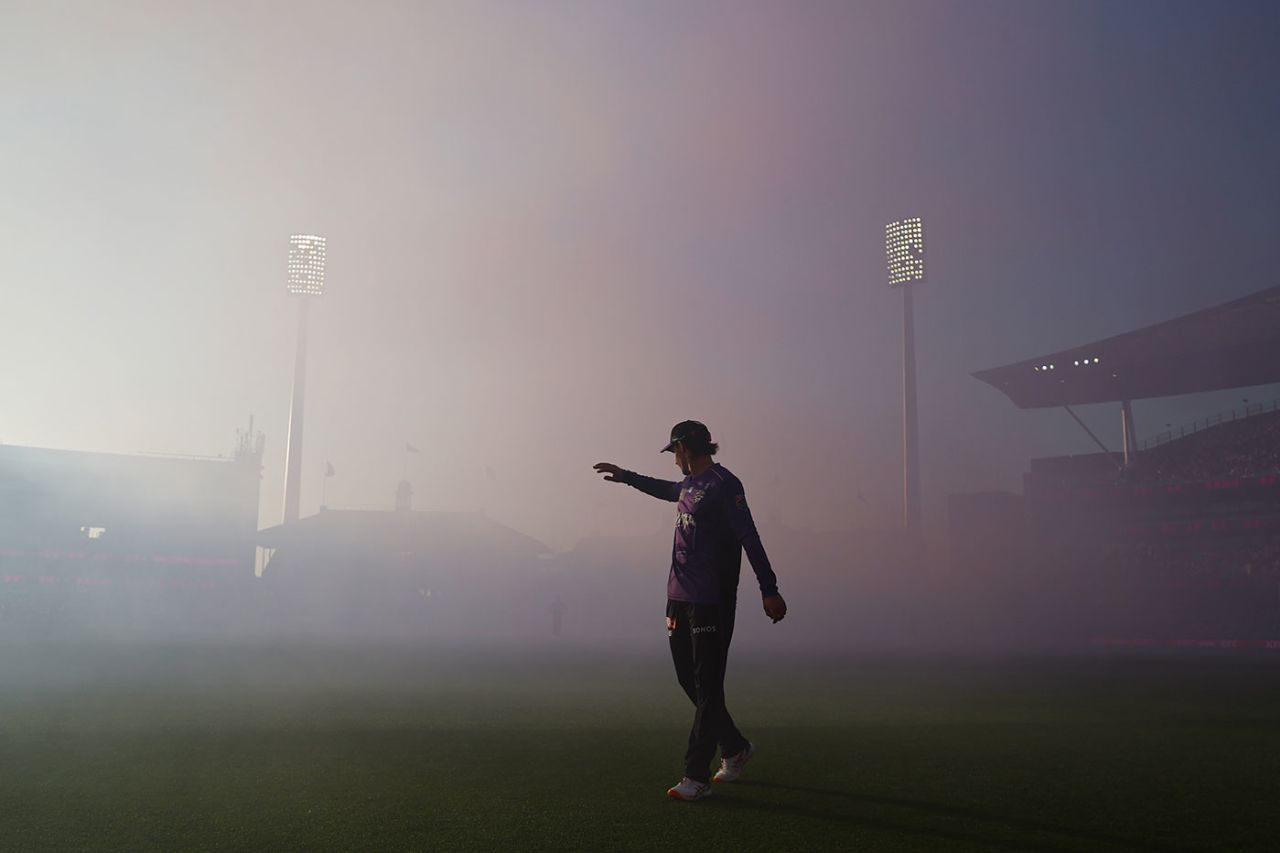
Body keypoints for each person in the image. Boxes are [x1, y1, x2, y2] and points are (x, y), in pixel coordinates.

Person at [594, 420, 786, 801]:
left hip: (710, 599)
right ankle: (734, 747)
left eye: (674, 452)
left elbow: (749, 535)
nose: (673, 460)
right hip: (678, 596)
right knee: (690, 680)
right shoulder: (689, 486)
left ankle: (695, 776)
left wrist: (769, 589)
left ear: (685, 447)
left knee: (708, 685)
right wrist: (626, 476)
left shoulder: (724, 484)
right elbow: (667, 489)